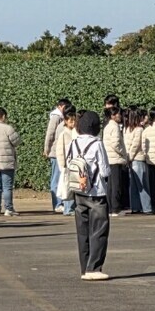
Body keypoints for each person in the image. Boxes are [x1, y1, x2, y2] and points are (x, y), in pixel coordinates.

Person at [67, 110, 112, 280]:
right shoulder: (97, 144)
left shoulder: (74, 143)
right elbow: (105, 170)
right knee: (99, 229)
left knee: (82, 231)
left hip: (78, 190)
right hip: (96, 192)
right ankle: (95, 267)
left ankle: (85, 267)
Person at [43, 98, 70, 213]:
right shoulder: (56, 117)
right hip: (55, 152)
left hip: (58, 151)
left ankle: (61, 202)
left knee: (60, 177)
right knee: (56, 179)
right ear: (61, 106)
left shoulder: (59, 117)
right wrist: (47, 149)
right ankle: (57, 204)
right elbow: (50, 133)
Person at [103, 106, 129, 216]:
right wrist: (123, 153)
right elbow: (116, 143)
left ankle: (110, 208)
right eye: (118, 114)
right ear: (113, 115)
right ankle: (115, 208)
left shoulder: (107, 126)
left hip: (109, 158)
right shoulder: (115, 127)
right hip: (115, 158)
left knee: (110, 185)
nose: (120, 116)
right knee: (116, 185)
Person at [52, 107, 78, 217]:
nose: (73, 123)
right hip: (67, 164)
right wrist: (62, 165)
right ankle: (68, 208)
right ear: (66, 121)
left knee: (73, 186)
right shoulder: (64, 134)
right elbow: (60, 151)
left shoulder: (75, 133)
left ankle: (71, 207)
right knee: (67, 187)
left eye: (74, 121)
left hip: (74, 163)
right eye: (70, 121)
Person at [124, 108, 150, 215]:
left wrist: (128, 157)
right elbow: (136, 144)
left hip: (130, 158)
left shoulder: (127, 129)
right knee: (142, 185)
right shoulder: (139, 129)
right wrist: (131, 156)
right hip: (138, 158)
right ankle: (146, 207)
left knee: (134, 185)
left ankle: (136, 207)